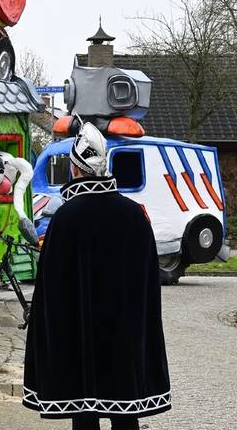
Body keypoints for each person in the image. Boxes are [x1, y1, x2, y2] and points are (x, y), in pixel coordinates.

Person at [22, 123, 171, 429]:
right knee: (125, 415)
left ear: (76, 170)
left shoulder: (64, 219)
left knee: (84, 413)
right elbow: (148, 285)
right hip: (125, 337)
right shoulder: (134, 215)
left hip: (80, 339)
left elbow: (51, 292)